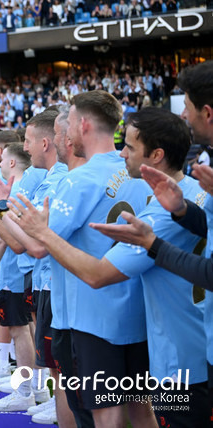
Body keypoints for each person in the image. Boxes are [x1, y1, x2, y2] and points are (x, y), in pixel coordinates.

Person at [12, 107, 209, 427]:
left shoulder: (158, 213)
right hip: (181, 344)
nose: (122, 153)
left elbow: (97, 274)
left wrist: (42, 232)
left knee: (119, 413)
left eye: (130, 146)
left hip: (178, 358)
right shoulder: (196, 195)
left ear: (156, 155)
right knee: (139, 409)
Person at [7, 91, 156, 427]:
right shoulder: (137, 171)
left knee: (105, 416)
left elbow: (38, 245)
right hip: (137, 310)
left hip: (92, 318)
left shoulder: (79, 180)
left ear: (83, 124)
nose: (66, 132)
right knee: (141, 406)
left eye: (70, 121)